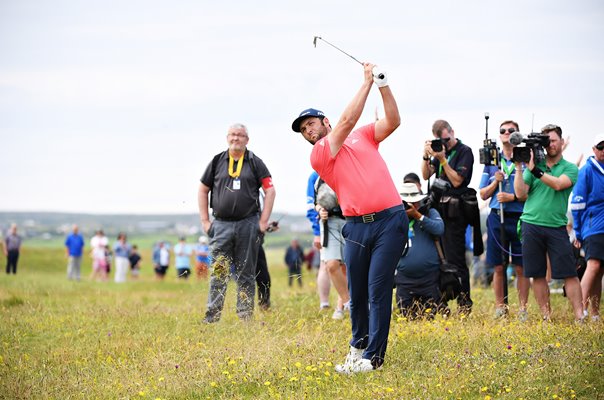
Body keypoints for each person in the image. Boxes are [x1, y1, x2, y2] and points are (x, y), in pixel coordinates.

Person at [291, 62, 406, 373]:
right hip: (356, 226)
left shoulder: (363, 136)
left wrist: (383, 85)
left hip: (390, 220)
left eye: (310, 124)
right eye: (303, 130)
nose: (308, 131)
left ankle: (373, 358)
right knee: (358, 292)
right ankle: (358, 347)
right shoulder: (319, 154)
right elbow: (347, 119)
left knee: (378, 288)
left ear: (323, 121)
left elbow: (393, 120)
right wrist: (367, 82)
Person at [199, 123, 276, 323]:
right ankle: (212, 318)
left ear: (247, 140)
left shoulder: (254, 162)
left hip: (248, 224)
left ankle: (245, 318)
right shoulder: (217, 161)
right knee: (219, 272)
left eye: (240, 135)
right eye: (233, 135)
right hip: (221, 224)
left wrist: (263, 221)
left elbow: (270, 190)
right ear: (227, 137)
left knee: (246, 272)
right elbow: (202, 189)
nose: (236, 138)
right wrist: (205, 221)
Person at [513, 124, 583, 321]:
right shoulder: (535, 166)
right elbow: (520, 193)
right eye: (547, 141)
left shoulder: (569, 168)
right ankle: (546, 317)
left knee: (569, 273)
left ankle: (580, 315)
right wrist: (519, 167)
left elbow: (559, 184)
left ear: (561, 142)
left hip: (556, 226)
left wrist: (536, 171)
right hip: (531, 224)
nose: (550, 145)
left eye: (553, 140)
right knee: (537, 273)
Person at [421, 119, 477, 314]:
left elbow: (456, 181)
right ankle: (441, 301)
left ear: (452, 132)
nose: (443, 143)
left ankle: (464, 303)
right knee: (438, 259)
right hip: (438, 211)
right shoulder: (440, 151)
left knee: (455, 260)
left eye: (446, 138)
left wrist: (443, 159)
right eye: (439, 140)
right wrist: (427, 156)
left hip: (455, 214)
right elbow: (426, 175)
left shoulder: (464, 151)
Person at [478, 120, 530, 321]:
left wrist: (513, 197)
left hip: (519, 216)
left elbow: (530, 191)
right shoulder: (491, 160)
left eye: (511, 130)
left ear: (518, 134)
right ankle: (501, 307)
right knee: (498, 265)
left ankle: (523, 309)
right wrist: (495, 183)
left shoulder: (525, 159)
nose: (507, 133)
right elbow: (482, 193)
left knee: (521, 266)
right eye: (503, 131)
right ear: (499, 136)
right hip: (496, 216)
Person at [395, 181, 445, 319]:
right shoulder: (395, 218)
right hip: (404, 280)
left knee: (429, 319)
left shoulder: (429, 212)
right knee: (407, 318)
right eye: (407, 203)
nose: (412, 205)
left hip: (429, 279)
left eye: (415, 202)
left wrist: (418, 216)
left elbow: (439, 229)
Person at [571, 133, 604, 321]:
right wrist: (578, 230)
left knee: (600, 270)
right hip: (592, 226)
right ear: (594, 150)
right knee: (593, 265)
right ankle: (580, 310)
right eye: (600, 147)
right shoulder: (587, 171)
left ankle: (595, 313)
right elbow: (577, 204)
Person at [315, 178, 350, 320]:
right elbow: (315, 202)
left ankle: (341, 306)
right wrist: (320, 209)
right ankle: (349, 302)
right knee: (331, 265)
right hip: (329, 222)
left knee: (347, 267)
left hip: (349, 219)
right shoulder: (318, 177)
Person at [306, 171, 332, 310]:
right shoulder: (315, 176)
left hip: (344, 222)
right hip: (324, 226)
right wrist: (317, 232)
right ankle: (324, 303)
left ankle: (347, 301)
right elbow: (311, 206)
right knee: (324, 264)